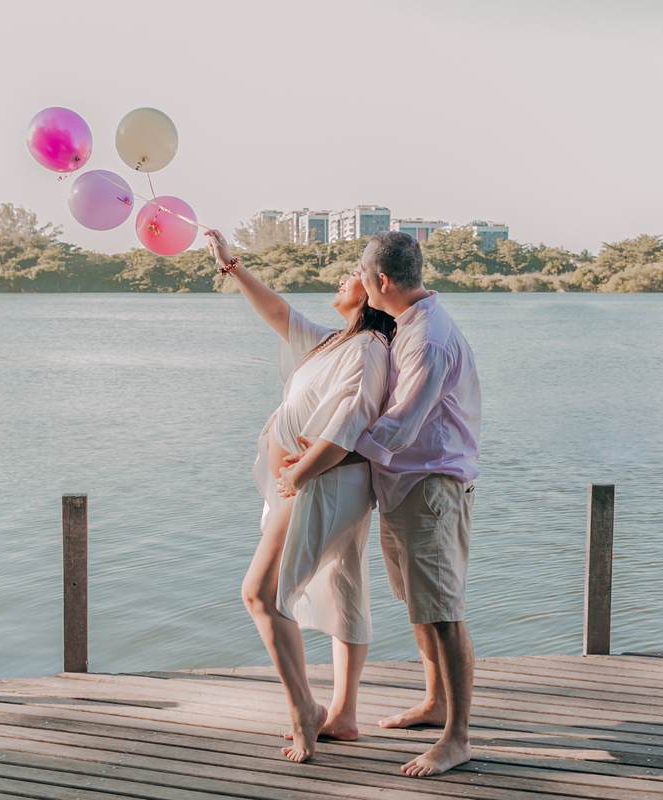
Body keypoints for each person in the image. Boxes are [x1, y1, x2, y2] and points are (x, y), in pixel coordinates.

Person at [290, 230, 481, 777]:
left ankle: (458, 737)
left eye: (361, 272)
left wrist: (331, 455)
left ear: (382, 281)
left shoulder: (427, 340)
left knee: (443, 612)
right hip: (405, 486)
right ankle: (435, 701)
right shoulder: (405, 326)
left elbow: (399, 427)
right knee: (420, 604)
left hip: (432, 488)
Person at [206, 229, 394, 763]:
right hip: (318, 481)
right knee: (343, 583)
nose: (342, 276)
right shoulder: (339, 340)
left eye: (353, 273)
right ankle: (345, 715)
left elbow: (349, 425)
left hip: (321, 482)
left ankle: (304, 714)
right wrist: (232, 266)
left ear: (374, 291)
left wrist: (299, 473)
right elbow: (280, 314)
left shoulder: (370, 349)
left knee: (260, 593)